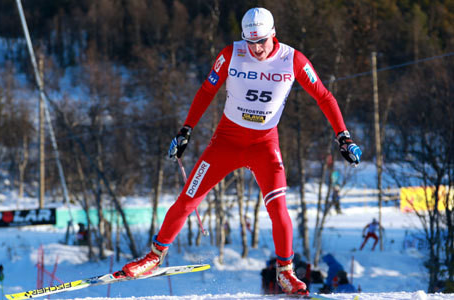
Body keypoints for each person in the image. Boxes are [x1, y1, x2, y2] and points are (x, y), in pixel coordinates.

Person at [121, 7, 362, 295]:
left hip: (264, 145)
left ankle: (286, 272)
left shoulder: (292, 60)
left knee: (278, 209)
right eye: (250, 42)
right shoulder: (230, 54)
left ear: (274, 34)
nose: (256, 49)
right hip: (225, 142)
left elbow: (324, 96)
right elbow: (206, 91)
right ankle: (153, 257)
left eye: (261, 41)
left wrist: (343, 137)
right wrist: (186, 130)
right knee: (187, 200)